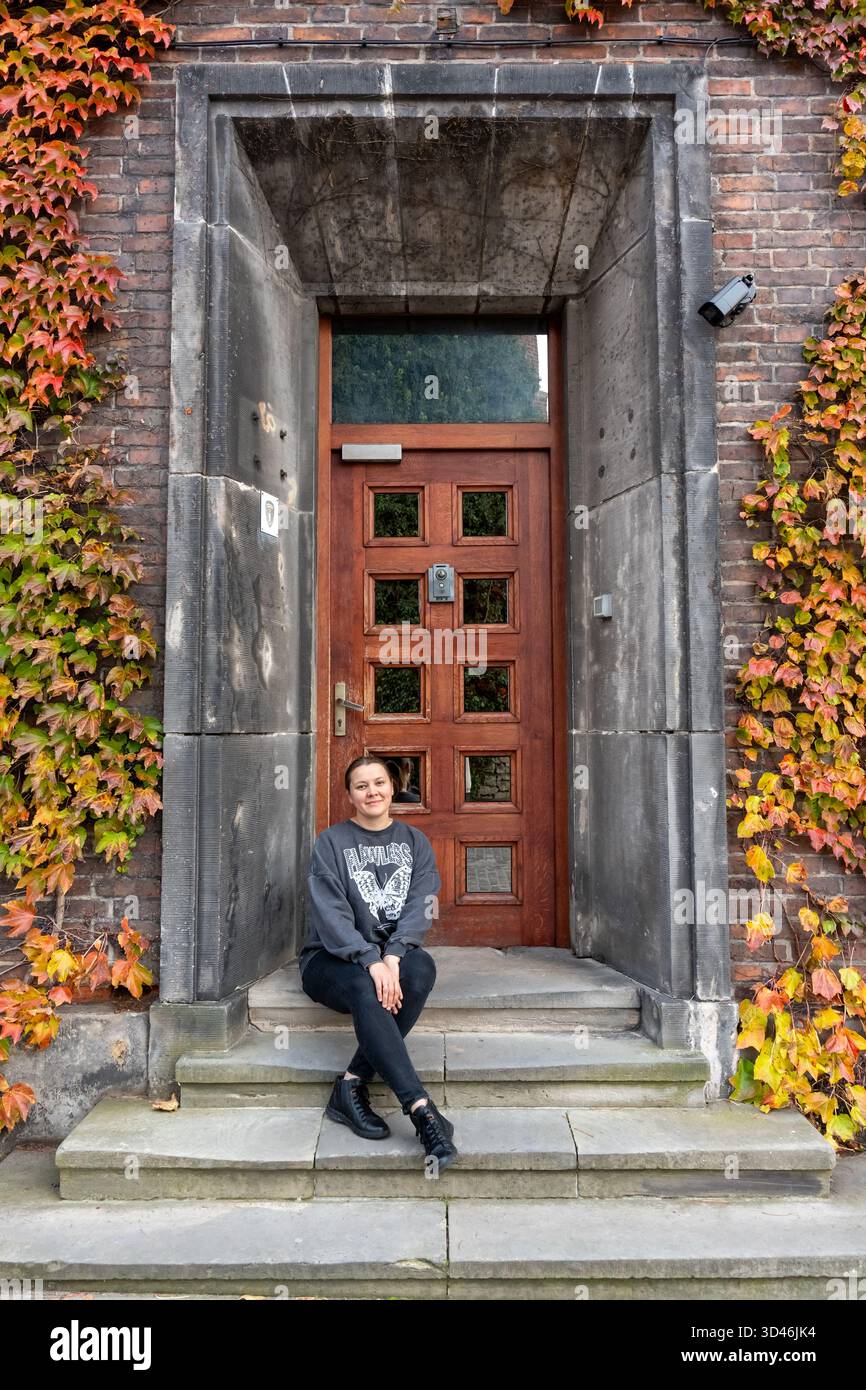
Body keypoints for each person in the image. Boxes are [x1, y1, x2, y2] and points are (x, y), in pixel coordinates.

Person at [298, 755, 458, 1169]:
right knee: (368, 986)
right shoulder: (331, 843)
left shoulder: (414, 842)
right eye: (361, 786)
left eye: (379, 783)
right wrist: (370, 960)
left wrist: (394, 954)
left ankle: (351, 1085)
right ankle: (421, 1110)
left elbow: (422, 903)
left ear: (393, 787)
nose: (372, 792)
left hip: (389, 955)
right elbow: (330, 916)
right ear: (349, 794)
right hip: (331, 960)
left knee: (422, 970)